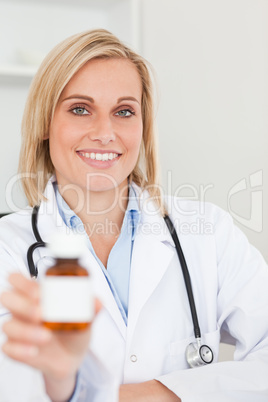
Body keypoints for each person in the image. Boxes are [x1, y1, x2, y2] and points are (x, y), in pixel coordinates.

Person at [0, 28, 267, 402]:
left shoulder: (208, 232)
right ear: (45, 122)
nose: (105, 133)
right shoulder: (7, 249)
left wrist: (154, 394)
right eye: (80, 108)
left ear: (143, 126)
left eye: (124, 111)